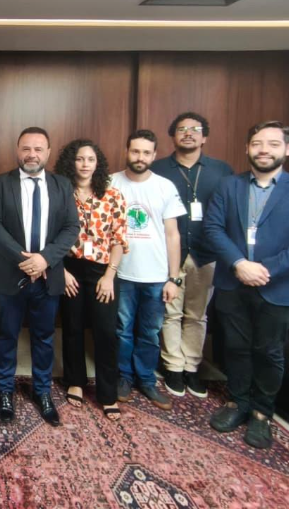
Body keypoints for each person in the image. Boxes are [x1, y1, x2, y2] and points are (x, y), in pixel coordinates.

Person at [205, 121, 289, 449]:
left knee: (269, 352)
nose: (264, 150)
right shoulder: (228, 186)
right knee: (235, 347)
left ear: (288, 149)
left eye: (273, 144)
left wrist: (264, 270)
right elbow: (213, 229)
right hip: (233, 283)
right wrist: (239, 264)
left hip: (278, 288)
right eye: (257, 143)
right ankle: (237, 402)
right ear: (247, 148)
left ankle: (262, 413)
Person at [0, 127, 79, 427]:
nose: (32, 154)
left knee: (44, 337)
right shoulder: (0, 184)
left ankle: (42, 391)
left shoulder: (62, 185)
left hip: (48, 276)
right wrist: (24, 259)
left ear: (48, 152)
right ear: (17, 150)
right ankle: (4, 391)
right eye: (26, 148)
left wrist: (44, 259)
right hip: (11, 275)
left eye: (38, 149)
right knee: (6, 335)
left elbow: (71, 228)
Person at [150, 112, 234, 398]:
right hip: (167, 252)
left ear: (204, 136)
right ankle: (173, 366)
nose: (188, 133)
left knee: (197, 314)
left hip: (206, 252)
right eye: (182, 129)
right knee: (169, 312)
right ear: (173, 136)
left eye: (195, 129)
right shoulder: (158, 169)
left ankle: (192, 366)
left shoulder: (221, 171)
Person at [110, 130, 185, 410]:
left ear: (154, 155)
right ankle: (124, 377)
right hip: (121, 273)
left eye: (146, 152)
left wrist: (173, 278)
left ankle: (146, 380)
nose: (139, 157)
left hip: (156, 276)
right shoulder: (111, 182)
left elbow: (173, 235)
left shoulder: (165, 186)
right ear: (126, 151)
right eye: (135, 151)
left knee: (151, 331)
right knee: (122, 329)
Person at [54, 139, 128, 421]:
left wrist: (110, 275)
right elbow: (51, 236)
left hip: (102, 271)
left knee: (106, 332)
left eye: (90, 159)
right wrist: (61, 271)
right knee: (72, 327)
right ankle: (75, 381)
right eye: (80, 159)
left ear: (98, 164)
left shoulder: (112, 195)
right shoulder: (61, 193)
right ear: (71, 162)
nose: (85, 164)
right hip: (69, 267)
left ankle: (108, 393)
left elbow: (119, 239)